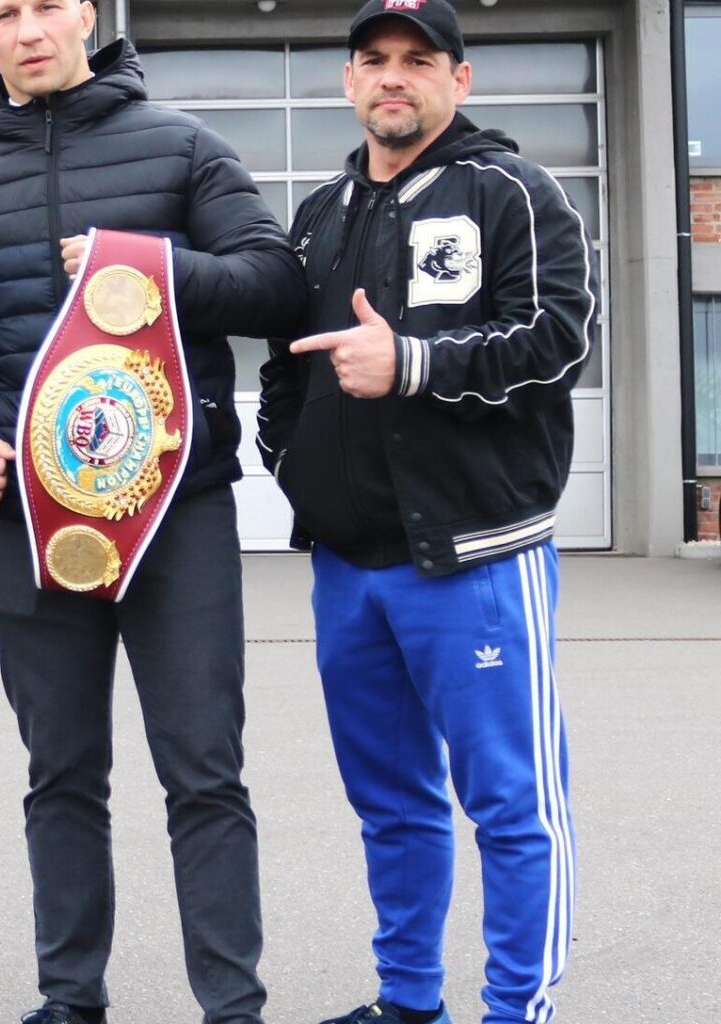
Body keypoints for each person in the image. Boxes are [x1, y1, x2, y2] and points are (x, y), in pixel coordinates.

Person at [0, 0, 305, 1020]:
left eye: (48, 4)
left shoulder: (183, 149)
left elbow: (275, 282)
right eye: (4, 12)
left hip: (176, 513)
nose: (29, 27)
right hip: (30, 525)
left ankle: (232, 1005)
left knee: (204, 772)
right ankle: (70, 998)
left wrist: (147, 268)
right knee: (61, 774)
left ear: (85, 13)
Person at [256, 3, 593, 1022]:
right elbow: (282, 370)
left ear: (461, 78)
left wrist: (410, 362)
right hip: (349, 568)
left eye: (418, 60)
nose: (393, 78)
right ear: (349, 82)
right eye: (374, 61)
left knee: (511, 804)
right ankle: (408, 1002)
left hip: (477, 559)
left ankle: (516, 1009)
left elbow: (558, 338)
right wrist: (294, 468)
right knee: (390, 805)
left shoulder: (514, 194)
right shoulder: (318, 215)